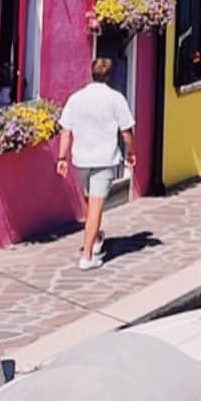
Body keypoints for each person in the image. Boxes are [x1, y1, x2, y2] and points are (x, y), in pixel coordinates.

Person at [56, 57, 137, 269]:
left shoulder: (76, 98)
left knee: (90, 202)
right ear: (109, 76)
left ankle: (96, 238)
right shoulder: (115, 98)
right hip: (104, 159)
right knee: (94, 206)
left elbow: (66, 131)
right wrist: (131, 152)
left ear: (91, 73)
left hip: (81, 158)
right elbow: (126, 131)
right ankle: (88, 256)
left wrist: (61, 157)